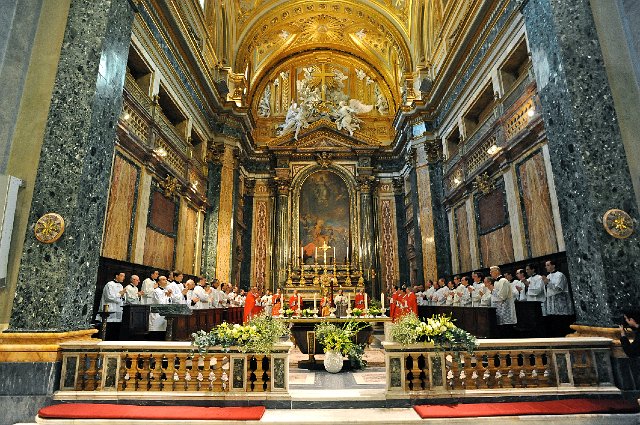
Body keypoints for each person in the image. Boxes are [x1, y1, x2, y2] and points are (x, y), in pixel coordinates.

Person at [541, 260, 575, 336]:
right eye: (546, 265)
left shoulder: (560, 275)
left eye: (548, 265)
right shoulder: (548, 276)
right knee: (554, 324)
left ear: (553, 266)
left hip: (561, 304)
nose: (546, 267)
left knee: (562, 324)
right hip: (552, 304)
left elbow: (559, 288)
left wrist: (548, 282)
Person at [96, 272, 126, 340]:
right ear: (116, 276)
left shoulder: (121, 286)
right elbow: (109, 297)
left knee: (115, 332)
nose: (123, 278)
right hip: (109, 309)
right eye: (122, 276)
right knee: (108, 331)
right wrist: (119, 294)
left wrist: (122, 296)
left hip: (118, 310)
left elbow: (121, 298)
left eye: (124, 276)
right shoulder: (109, 284)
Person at [490, 266, 517, 336]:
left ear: (497, 271)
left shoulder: (503, 281)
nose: (490, 273)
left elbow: (503, 296)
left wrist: (493, 290)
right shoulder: (496, 282)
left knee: (507, 328)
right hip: (499, 308)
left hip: (505, 307)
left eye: (491, 271)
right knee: (501, 328)